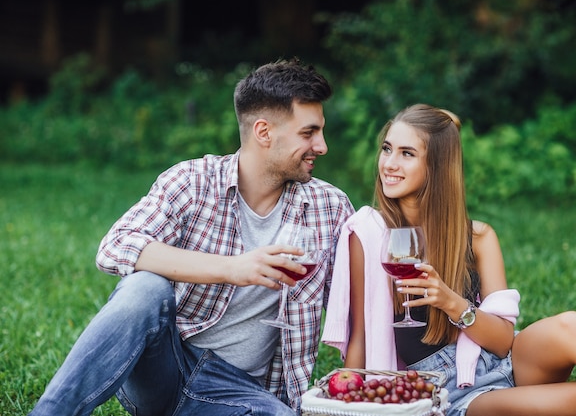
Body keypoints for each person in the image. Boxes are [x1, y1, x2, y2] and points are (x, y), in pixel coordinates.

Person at [29, 58, 355, 416]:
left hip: (241, 392)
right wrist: (231, 268)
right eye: (308, 133)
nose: (322, 146)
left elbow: (355, 307)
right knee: (144, 289)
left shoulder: (330, 207)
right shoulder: (194, 181)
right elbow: (115, 246)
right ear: (264, 132)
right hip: (166, 367)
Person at [321, 103, 576, 416]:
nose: (389, 163)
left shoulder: (478, 237)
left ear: (437, 166)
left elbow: (503, 340)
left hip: (505, 360)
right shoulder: (370, 233)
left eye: (407, 154)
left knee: (570, 324)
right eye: (387, 149)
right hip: (447, 390)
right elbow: (360, 336)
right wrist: (349, 401)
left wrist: (451, 302)